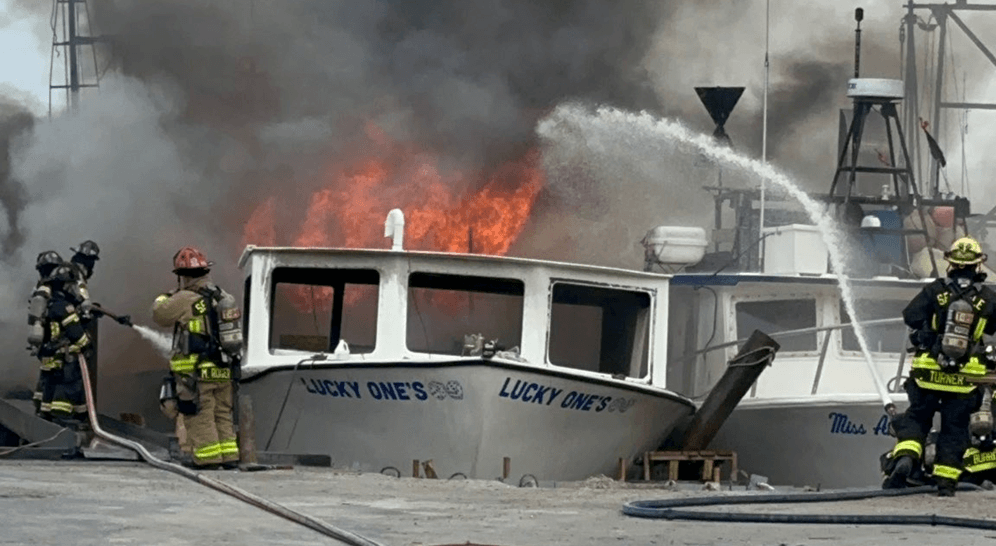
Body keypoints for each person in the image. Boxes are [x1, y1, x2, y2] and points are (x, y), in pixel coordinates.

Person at [883, 237, 996, 496]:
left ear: (951, 263)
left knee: (917, 418)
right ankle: (945, 485)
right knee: (954, 430)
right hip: (966, 378)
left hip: (928, 372)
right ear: (979, 265)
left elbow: (910, 316)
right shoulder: (988, 298)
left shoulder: (935, 290)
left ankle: (907, 458)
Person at [152, 246, 242, 469]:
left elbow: (159, 314)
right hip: (223, 368)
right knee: (222, 413)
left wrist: (167, 295)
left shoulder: (184, 298)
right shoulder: (223, 297)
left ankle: (208, 459)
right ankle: (229, 457)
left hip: (197, 372)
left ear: (182, 276)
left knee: (200, 415)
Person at [34, 262, 93, 427]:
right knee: (69, 387)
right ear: (66, 286)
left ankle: (45, 413)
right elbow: (77, 335)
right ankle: (63, 418)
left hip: (51, 357)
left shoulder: (50, 305)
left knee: (50, 387)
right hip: (65, 358)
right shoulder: (65, 308)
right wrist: (87, 342)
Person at [27, 251, 64, 417]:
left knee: (47, 375)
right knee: (56, 377)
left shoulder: (40, 289)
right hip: (52, 341)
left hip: (45, 341)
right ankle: (50, 411)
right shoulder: (46, 291)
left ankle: (42, 407)